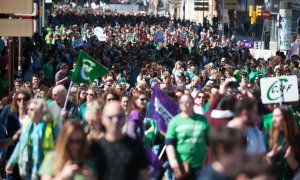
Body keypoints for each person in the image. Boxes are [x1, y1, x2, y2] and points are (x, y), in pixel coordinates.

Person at [91, 101, 149, 180]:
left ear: (125, 119)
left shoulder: (136, 146)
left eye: (119, 117)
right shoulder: (95, 147)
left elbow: (145, 176)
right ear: (102, 119)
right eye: (110, 117)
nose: (115, 121)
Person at [6, 98, 59, 180]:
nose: (28, 112)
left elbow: (60, 147)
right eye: (28, 109)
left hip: (45, 169)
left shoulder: (52, 125)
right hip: (27, 168)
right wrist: (11, 162)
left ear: (41, 111)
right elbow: (21, 144)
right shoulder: (27, 123)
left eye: (32, 109)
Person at [166, 94, 210, 180]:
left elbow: (209, 141)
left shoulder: (202, 120)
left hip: (200, 166)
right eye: (181, 102)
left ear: (193, 103)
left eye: (187, 102)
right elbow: (169, 143)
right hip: (181, 165)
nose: (184, 104)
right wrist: (173, 161)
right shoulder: (175, 121)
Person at [0, 88, 32, 180]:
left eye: (25, 99)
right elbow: (1, 130)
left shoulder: (33, 112)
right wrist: (1, 151)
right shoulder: (8, 110)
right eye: (19, 99)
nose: (22, 101)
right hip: (11, 152)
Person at [265, 106, 300, 179]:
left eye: (277, 116)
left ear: (286, 118)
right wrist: (270, 155)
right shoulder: (268, 134)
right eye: (273, 116)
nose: (273, 119)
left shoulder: (297, 136)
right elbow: (258, 159)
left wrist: (292, 161)